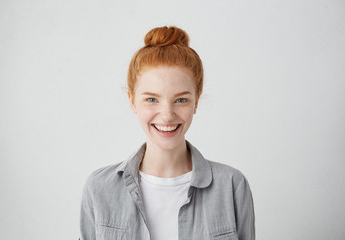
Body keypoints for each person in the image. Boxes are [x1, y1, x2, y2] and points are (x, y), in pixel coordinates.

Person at [80, 26, 255, 240]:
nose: (167, 115)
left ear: (196, 102)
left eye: (181, 100)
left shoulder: (232, 186)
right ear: (132, 101)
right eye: (151, 99)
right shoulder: (99, 189)